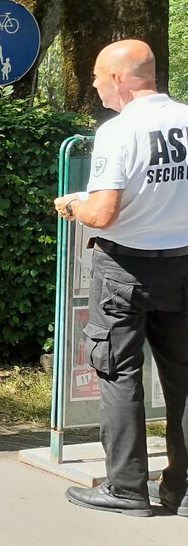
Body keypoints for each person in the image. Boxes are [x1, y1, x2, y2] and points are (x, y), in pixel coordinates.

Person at [54, 39, 188, 518]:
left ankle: (127, 488)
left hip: (125, 269)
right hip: (183, 262)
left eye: (96, 77)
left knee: (118, 372)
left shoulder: (118, 131)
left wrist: (74, 205)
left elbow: (104, 213)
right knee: (184, 378)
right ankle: (183, 490)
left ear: (117, 79)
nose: (94, 85)